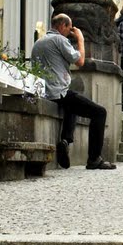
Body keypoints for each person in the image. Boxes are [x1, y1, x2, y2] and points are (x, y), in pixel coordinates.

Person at [33, 13, 115, 170]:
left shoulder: (39, 42)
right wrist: (80, 39)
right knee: (99, 112)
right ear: (63, 26)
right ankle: (94, 159)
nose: (69, 33)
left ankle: (65, 140)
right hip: (58, 91)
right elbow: (80, 61)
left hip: (43, 91)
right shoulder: (59, 40)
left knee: (72, 104)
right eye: (69, 29)